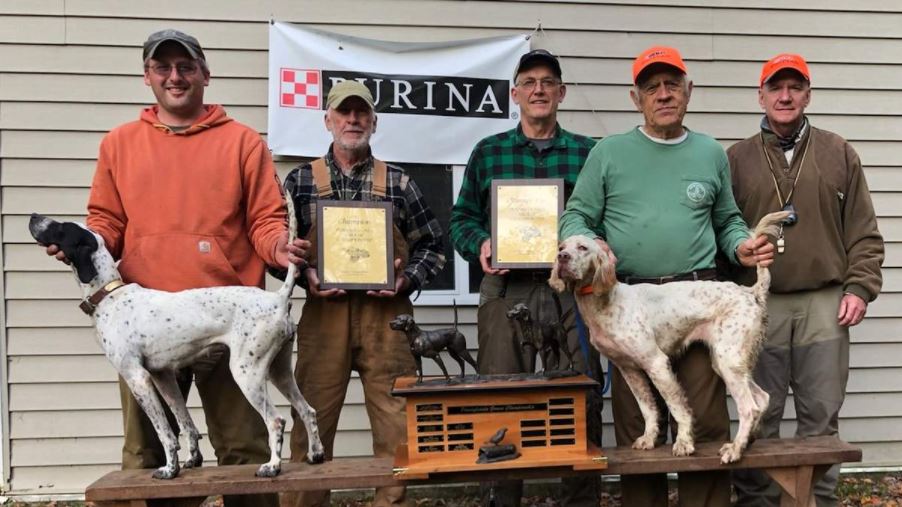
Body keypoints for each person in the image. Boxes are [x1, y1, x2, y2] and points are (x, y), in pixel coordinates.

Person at [43, 29, 306, 507]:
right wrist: (78, 247)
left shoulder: (244, 143)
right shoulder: (118, 144)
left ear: (205, 74)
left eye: (185, 67)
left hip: (226, 319)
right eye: (162, 67)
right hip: (145, 326)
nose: (175, 76)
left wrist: (279, 249)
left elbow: (266, 220)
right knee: (149, 460)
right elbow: (106, 224)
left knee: (246, 460)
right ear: (147, 77)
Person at [558, 45, 775, 507]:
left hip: (693, 303)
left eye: (672, 84)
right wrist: (589, 244)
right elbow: (576, 216)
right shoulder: (608, 153)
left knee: (709, 427)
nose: (663, 94)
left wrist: (741, 244)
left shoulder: (709, 152)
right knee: (642, 434)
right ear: (635, 98)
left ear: (688, 92)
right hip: (626, 304)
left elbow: (728, 220)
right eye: (651, 87)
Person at [728, 53, 884, 507]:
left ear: (808, 95)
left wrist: (859, 288)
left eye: (795, 87)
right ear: (761, 96)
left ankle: (817, 501)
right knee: (760, 412)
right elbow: (723, 231)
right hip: (759, 304)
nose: (785, 96)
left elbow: (865, 232)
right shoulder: (736, 158)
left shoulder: (838, 151)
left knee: (821, 413)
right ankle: (759, 501)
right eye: (776, 87)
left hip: (825, 302)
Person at [449, 49, 602, 507]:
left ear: (561, 92)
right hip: (507, 288)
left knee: (578, 396)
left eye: (548, 81)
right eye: (529, 81)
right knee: (501, 395)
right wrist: (480, 244)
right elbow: (461, 218)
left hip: (571, 291)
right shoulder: (489, 151)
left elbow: (602, 219)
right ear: (514, 93)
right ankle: (501, 499)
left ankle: (578, 500)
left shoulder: (588, 153)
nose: (539, 89)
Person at [283, 80, 445, 507]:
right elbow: (279, 253)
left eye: (361, 113)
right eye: (343, 112)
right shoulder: (299, 182)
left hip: (387, 319)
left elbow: (433, 246)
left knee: (395, 427)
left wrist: (406, 279)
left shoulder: (399, 182)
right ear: (328, 120)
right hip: (323, 319)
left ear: (374, 122)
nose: (352, 120)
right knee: (309, 422)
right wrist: (304, 275)